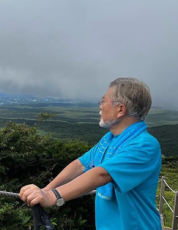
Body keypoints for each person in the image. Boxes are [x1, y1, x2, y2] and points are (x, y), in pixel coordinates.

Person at [19, 77, 162, 230]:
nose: (100, 106)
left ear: (120, 109)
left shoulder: (145, 145)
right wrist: (46, 190)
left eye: (103, 101)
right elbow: (79, 165)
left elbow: (103, 174)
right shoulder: (108, 141)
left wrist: (52, 196)